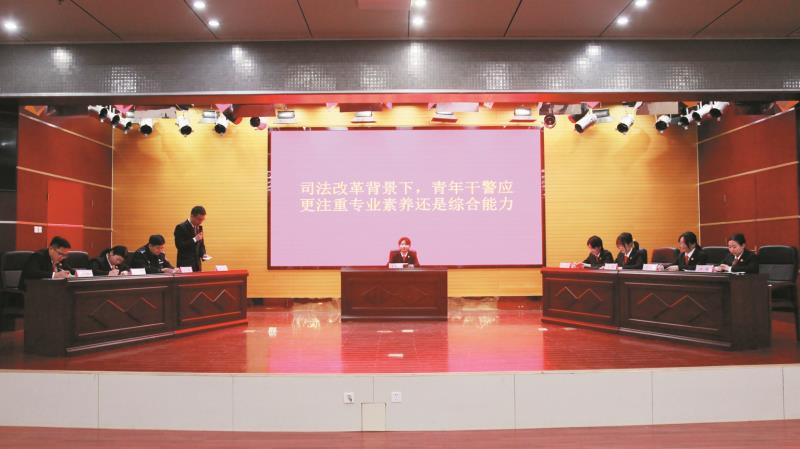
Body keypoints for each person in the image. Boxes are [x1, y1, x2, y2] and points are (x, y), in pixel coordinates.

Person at [174, 205, 207, 272]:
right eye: (199, 219)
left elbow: (201, 244)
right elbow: (179, 246)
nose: (201, 222)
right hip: (185, 264)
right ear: (192, 216)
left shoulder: (199, 227)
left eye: (202, 219)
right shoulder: (181, 227)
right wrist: (194, 239)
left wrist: (203, 254)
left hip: (197, 265)